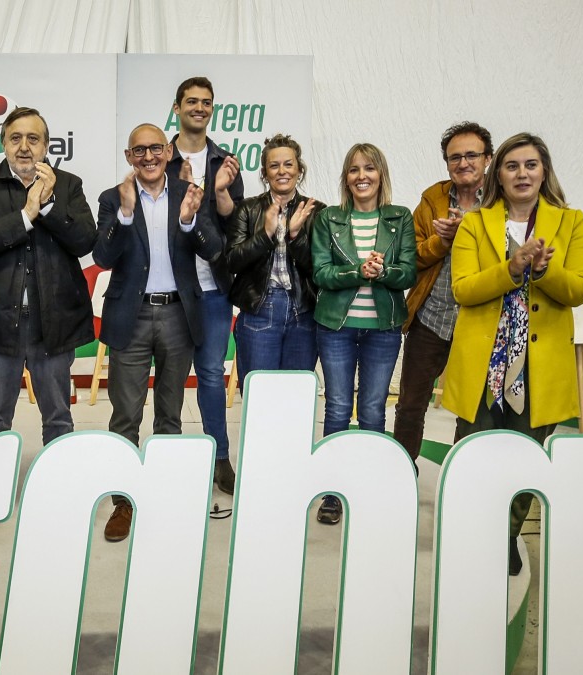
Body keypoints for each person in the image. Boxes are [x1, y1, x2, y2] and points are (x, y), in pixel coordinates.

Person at [441, 132, 583, 575]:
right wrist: (511, 268)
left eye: (530, 164)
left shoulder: (572, 222)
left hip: (539, 366)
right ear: (498, 175)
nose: (522, 173)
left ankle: (506, 535)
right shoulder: (474, 223)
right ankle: (467, 532)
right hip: (484, 362)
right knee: (472, 451)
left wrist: (543, 269)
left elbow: (578, 290)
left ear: (544, 170)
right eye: (512, 166)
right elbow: (464, 290)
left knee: (527, 455)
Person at [0, 107, 97, 534]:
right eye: (15, 137)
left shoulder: (68, 185)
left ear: (46, 145)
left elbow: (84, 241)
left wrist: (50, 203)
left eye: (33, 138)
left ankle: (59, 491)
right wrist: (25, 215)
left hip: (52, 323)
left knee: (58, 414)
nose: (24, 146)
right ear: (4, 142)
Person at [93, 123, 223, 542]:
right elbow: (103, 254)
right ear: (129, 156)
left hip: (177, 316)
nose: (148, 157)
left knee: (170, 414)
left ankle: (165, 495)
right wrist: (126, 214)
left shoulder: (189, 192)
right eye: (139, 151)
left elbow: (214, 248)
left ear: (167, 153)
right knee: (125, 414)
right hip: (130, 318)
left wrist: (188, 222)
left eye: (155, 149)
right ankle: (124, 504)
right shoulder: (114, 198)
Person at [311, 143, 416, 525]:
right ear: (346, 178)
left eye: (369, 168)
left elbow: (408, 272)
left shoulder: (400, 217)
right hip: (336, 327)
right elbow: (320, 272)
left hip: (383, 330)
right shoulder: (329, 218)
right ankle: (333, 491)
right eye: (354, 170)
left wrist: (383, 271)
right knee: (338, 406)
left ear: (381, 174)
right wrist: (358, 271)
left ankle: (369, 483)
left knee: (373, 409)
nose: (361, 176)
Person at [393, 122, 493, 469]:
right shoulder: (432, 198)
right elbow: (414, 256)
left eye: (471, 155)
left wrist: (472, 232)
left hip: (479, 321)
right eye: (455, 157)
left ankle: (462, 476)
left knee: (471, 408)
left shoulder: (501, 202)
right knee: (410, 403)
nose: (463, 163)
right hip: (431, 316)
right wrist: (444, 241)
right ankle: (402, 469)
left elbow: (507, 259)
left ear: (488, 159)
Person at [165, 76, 244, 496]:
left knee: (212, 373)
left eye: (207, 102)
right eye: (191, 101)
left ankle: (220, 458)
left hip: (213, 287)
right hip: (171, 286)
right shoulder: (159, 157)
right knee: (172, 375)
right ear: (176, 108)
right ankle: (171, 454)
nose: (199, 107)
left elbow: (238, 227)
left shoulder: (226, 162)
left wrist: (220, 195)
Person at [225, 134, 324, 380]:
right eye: (274, 165)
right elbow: (232, 261)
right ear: (264, 173)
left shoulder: (317, 211)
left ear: (299, 170)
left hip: (304, 311)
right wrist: (265, 235)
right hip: (259, 310)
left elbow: (320, 269)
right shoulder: (247, 209)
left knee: (295, 393)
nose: (282, 171)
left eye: (288, 164)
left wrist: (294, 235)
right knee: (259, 393)